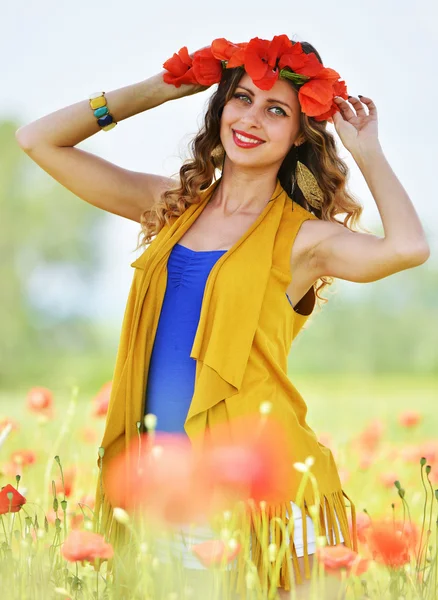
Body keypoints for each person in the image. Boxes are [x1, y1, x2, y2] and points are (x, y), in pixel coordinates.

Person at [15, 35, 430, 600]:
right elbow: (37, 141)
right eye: (241, 98)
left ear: (297, 135)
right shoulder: (171, 208)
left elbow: (407, 248)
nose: (252, 118)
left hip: (267, 488)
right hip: (170, 486)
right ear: (219, 109)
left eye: (276, 109)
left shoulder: (304, 240)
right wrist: (160, 89)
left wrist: (369, 154)